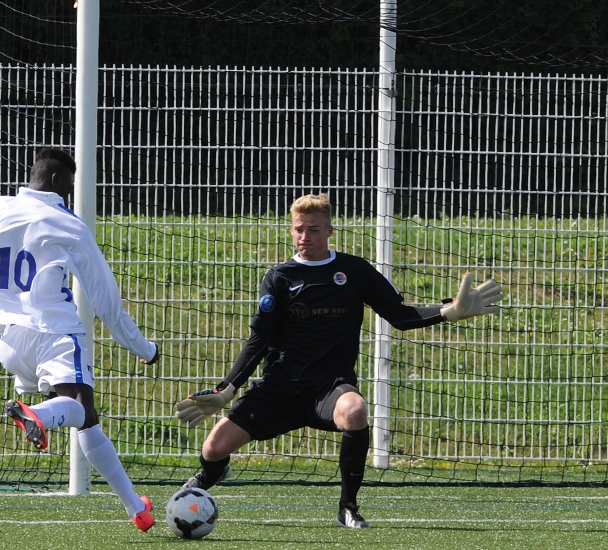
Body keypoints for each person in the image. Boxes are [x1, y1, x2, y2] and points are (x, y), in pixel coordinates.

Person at [174, 193, 502, 529]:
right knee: (214, 447)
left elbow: (400, 316)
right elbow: (260, 340)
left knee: (355, 411)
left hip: (328, 389)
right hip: (278, 389)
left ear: (330, 231)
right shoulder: (279, 278)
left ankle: (348, 507)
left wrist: (449, 312)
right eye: (300, 229)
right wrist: (227, 389)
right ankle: (211, 473)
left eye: (314, 230)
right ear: (291, 231)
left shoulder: (355, 270)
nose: (306, 237)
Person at [0, 130, 160, 532]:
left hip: (7, 343)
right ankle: (36, 414)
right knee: (81, 411)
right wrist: (143, 347)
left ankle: (136, 508)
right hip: (54, 333)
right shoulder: (67, 225)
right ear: (57, 182)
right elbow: (106, 299)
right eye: (70, 186)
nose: (71, 195)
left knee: (86, 419)